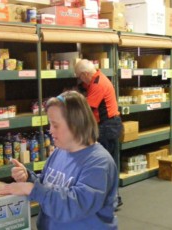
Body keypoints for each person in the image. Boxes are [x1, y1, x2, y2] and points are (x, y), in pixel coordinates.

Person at [0, 90, 118, 230]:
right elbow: (49, 184)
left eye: (55, 125)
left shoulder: (99, 163)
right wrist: (28, 178)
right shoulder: (60, 152)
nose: (50, 130)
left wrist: (32, 189)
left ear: (76, 124)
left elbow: (75, 206)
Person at [74, 59, 123, 207]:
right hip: (107, 126)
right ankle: (111, 199)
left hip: (108, 127)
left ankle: (112, 200)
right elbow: (83, 87)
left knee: (106, 165)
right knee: (106, 164)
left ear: (85, 74)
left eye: (80, 76)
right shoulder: (96, 78)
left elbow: (87, 108)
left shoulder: (98, 84)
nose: (80, 80)